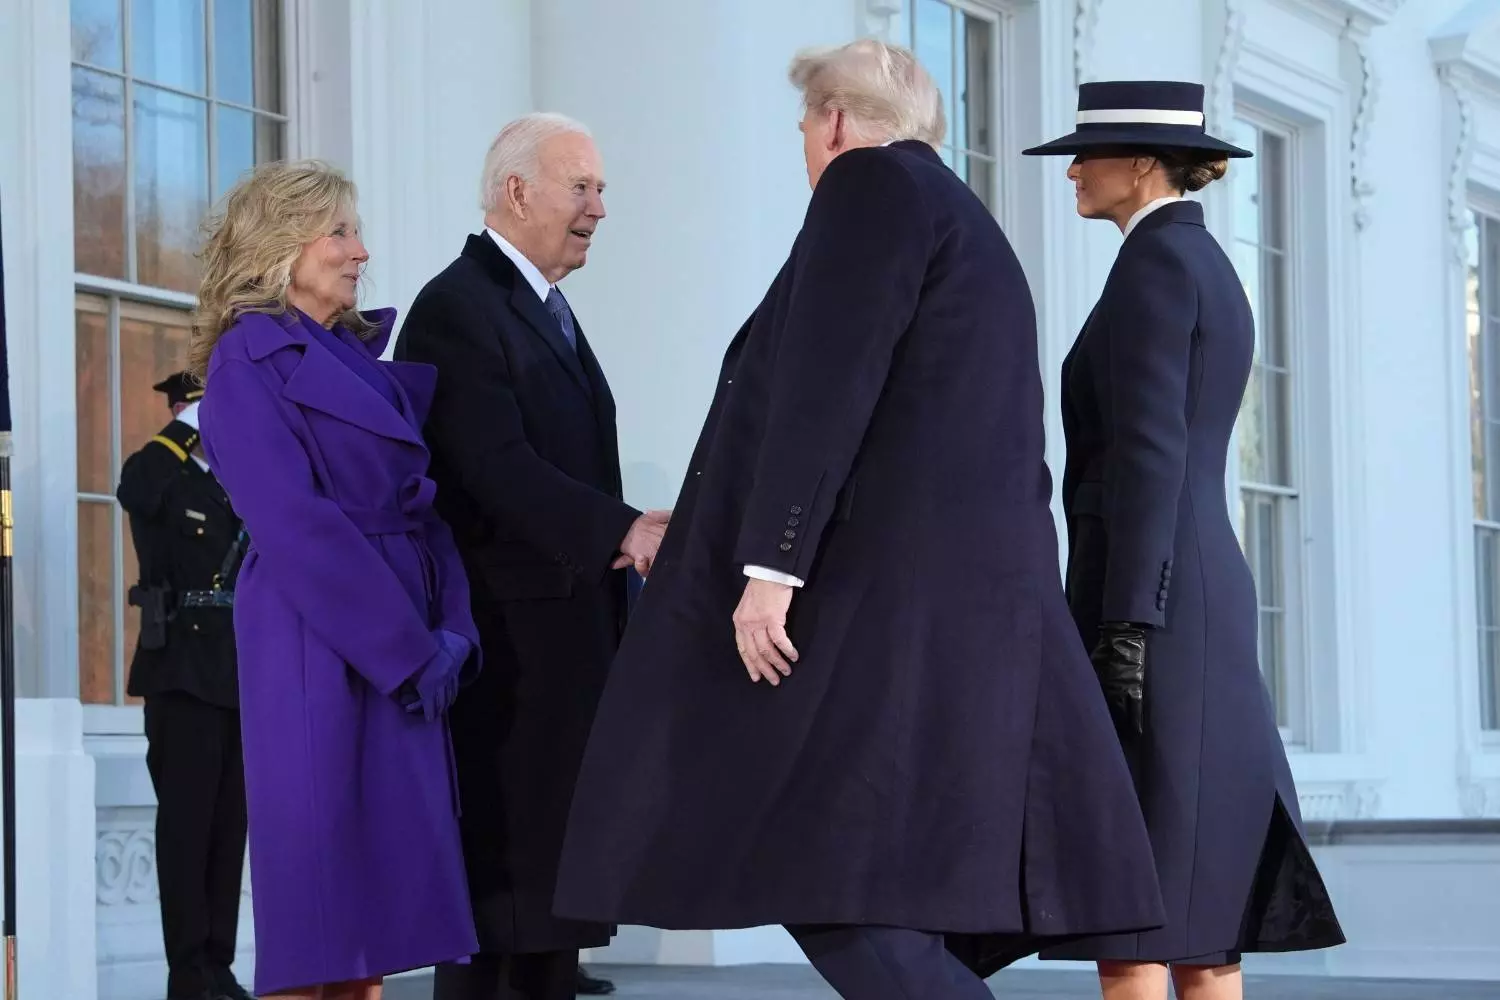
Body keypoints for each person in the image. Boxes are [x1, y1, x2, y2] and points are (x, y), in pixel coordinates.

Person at [552, 39, 1167, 1000]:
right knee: (876, 871)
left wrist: (770, 568)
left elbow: (826, 384)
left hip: (878, 602)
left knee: (816, 853)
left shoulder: (869, 188)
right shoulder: (966, 217)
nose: (804, 143)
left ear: (836, 121)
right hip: (965, 610)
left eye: (803, 124)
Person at [1020, 80, 1346, 1000]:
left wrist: (1125, 624)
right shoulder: (1196, 261)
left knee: (1138, 913)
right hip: (1182, 593)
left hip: (1155, 605)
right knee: (1194, 916)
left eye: (1087, 154)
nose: (1074, 170)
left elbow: (1154, 455)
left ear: (1140, 164)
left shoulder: (1159, 266)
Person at [191, 160, 482, 1000]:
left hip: (402, 627)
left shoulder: (345, 357)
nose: (363, 252)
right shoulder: (249, 360)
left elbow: (423, 507)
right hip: (319, 636)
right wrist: (405, 649)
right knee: (322, 897)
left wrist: (452, 627)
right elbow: (294, 525)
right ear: (283, 246)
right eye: (341, 233)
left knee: (379, 902)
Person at [393, 113, 664, 1000]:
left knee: (551, 918)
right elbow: (492, 464)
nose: (599, 209)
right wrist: (620, 531)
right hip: (509, 660)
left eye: (601, 191)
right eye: (581, 187)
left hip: (567, 653)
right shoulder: (457, 306)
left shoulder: (545, 308)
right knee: (499, 917)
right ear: (518, 192)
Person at [118, 371, 250, 1000]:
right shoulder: (161, 473)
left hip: (236, 676)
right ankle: (188, 972)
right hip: (181, 676)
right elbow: (134, 490)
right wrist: (184, 428)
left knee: (229, 828)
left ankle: (218, 965)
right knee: (188, 826)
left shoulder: (232, 490)